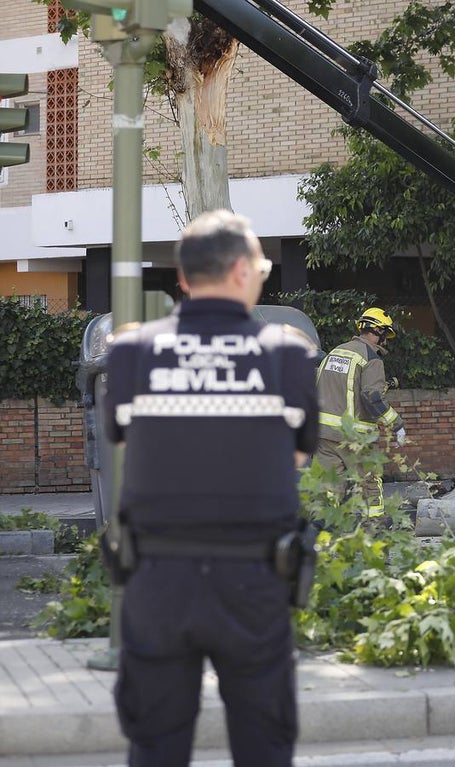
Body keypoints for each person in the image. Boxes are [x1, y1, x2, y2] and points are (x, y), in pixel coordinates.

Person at [102, 209, 320, 767]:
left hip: (157, 583)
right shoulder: (288, 354)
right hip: (254, 582)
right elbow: (297, 455)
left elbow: (124, 441)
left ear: (182, 279)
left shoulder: (131, 351)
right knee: (264, 746)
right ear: (244, 272)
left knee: (154, 746)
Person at [315, 306, 404, 516]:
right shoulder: (371, 357)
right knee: (370, 488)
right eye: (386, 335)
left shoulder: (335, 352)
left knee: (327, 489)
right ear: (378, 332)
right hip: (356, 439)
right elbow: (371, 397)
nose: (386, 341)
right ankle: (375, 534)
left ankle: (321, 537)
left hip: (324, 435)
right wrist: (396, 424)